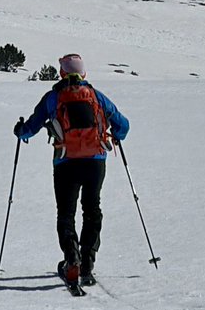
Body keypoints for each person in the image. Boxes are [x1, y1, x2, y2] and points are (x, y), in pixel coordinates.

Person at [14, 53, 129, 287]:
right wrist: (116, 135)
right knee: (92, 209)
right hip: (95, 161)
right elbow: (123, 125)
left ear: (62, 73)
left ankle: (71, 259)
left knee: (66, 213)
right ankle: (87, 263)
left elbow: (32, 126)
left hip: (65, 162)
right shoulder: (96, 96)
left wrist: (20, 131)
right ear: (83, 73)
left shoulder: (54, 97)